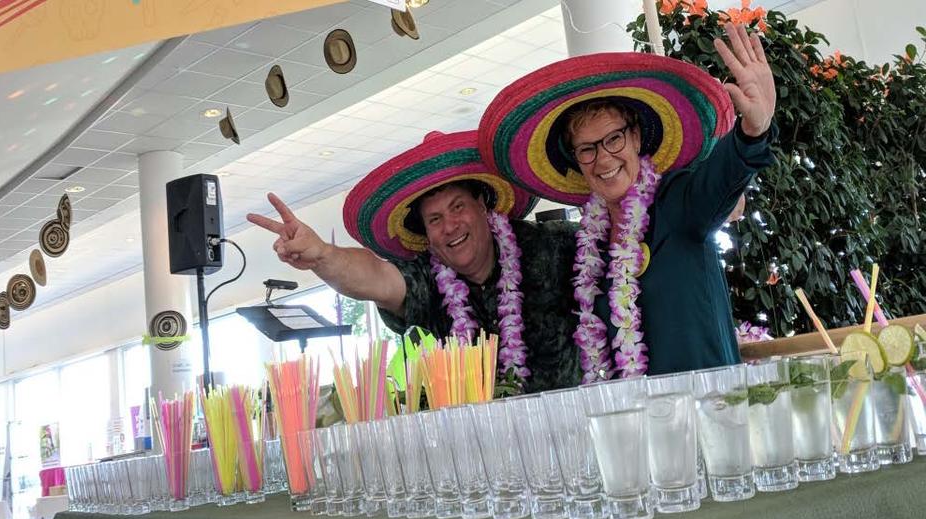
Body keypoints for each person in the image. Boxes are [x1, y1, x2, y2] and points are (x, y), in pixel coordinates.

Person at [477, 23, 777, 382]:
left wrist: (753, 131)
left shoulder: (676, 201)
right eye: (587, 149)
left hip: (709, 416)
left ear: (635, 137)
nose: (603, 160)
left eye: (614, 139)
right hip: (638, 427)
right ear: (576, 159)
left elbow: (719, 183)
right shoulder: (590, 248)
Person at [247, 131, 584, 393]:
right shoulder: (430, 277)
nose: (450, 226)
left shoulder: (554, 245)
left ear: (482, 205)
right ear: (426, 233)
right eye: (434, 219)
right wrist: (322, 255)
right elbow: (376, 277)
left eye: (457, 207)